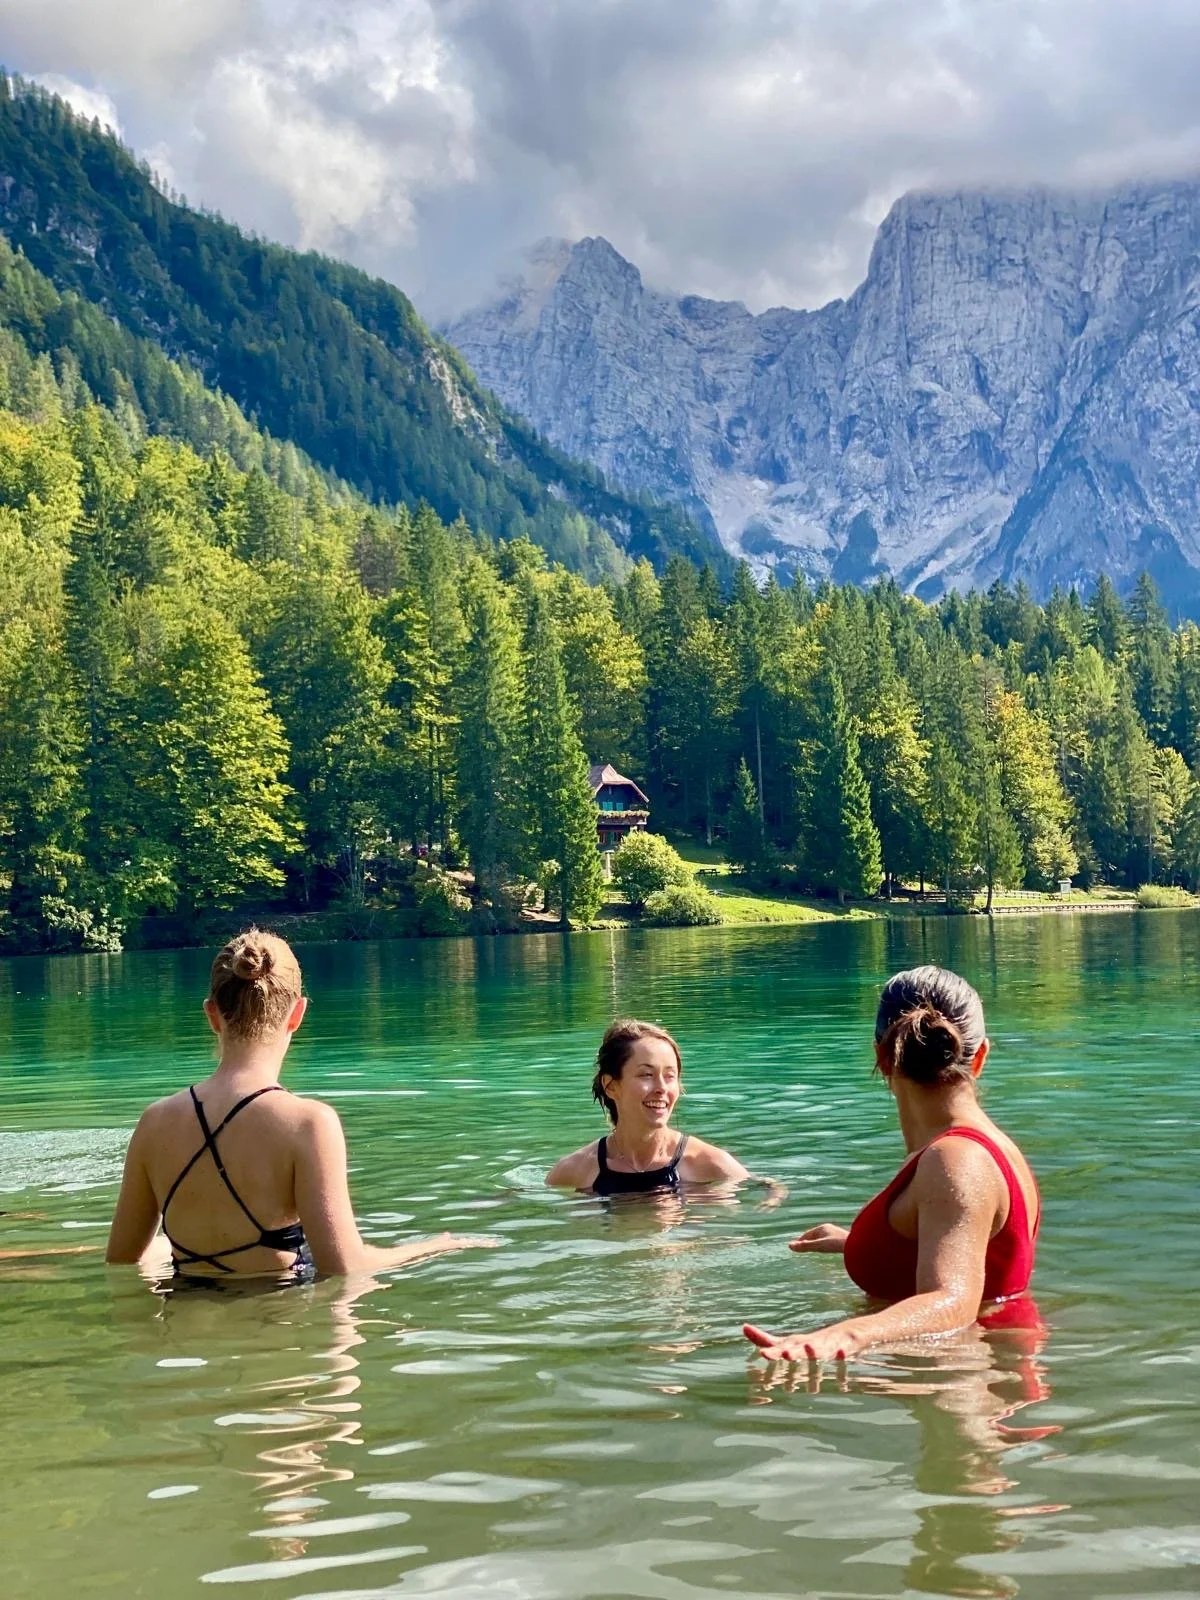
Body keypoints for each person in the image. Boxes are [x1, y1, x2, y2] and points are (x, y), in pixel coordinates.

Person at [106, 928, 498, 1280]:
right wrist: (435, 1246)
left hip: (183, 1328)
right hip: (280, 1329)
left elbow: (123, 1260)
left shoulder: (154, 1121)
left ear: (211, 1015)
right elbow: (345, 1267)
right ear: (297, 1014)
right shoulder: (308, 1123)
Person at [745, 965, 1040, 1362]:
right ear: (980, 1056)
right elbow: (968, 1246)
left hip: (970, 1386)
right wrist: (865, 1243)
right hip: (995, 1381)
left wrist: (844, 1335)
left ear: (882, 1058)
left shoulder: (955, 1160)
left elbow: (953, 1302)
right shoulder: (987, 1148)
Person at [546, 1019, 751, 1195]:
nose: (662, 1088)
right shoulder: (576, 1170)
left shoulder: (709, 1164)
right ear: (610, 1086)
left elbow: (764, 1193)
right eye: (646, 1075)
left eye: (670, 1076)